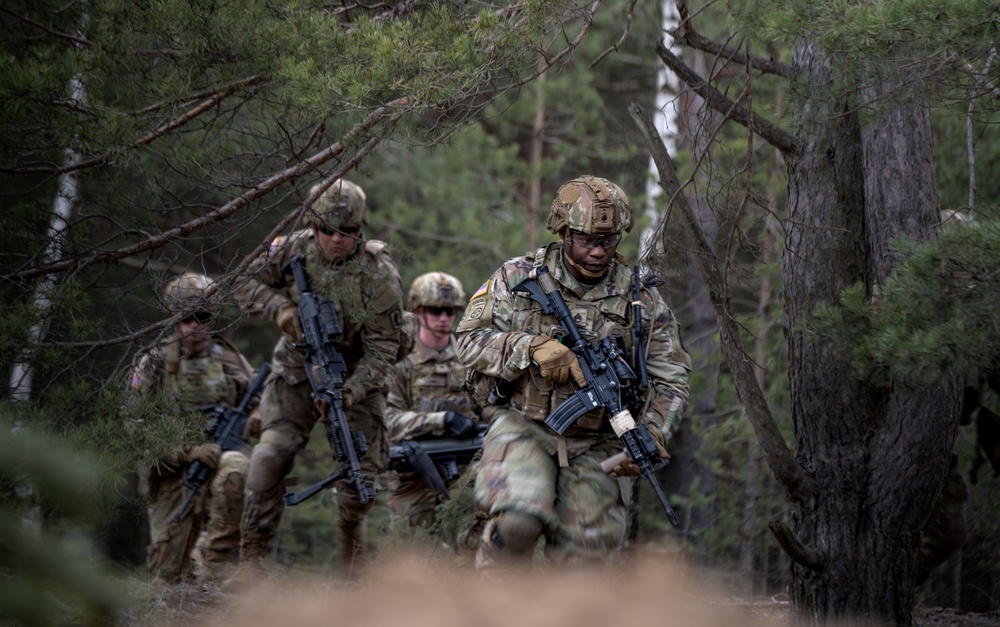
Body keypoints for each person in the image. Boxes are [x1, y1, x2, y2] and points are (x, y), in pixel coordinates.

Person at [456, 175, 691, 569]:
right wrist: (530, 347)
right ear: (564, 232)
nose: (599, 252)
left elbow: (673, 378)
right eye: (587, 240)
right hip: (525, 425)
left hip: (600, 441)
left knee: (586, 556)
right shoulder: (518, 279)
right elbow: (466, 340)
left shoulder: (641, 300)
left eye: (610, 241)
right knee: (516, 523)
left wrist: (652, 431)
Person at [232, 178, 406, 580]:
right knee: (268, 456)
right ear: (312, 226)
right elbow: (240, 281)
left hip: (356, 376)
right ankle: (250, 563)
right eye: (325, 230)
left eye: (347, 232)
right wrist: (280, 309)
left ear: (361, 230)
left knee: (359, 480)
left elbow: (384, 349)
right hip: (296, 370)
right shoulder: (291, 249)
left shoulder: (379, 276)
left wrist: (352, 391)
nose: (335, 240)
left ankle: (352, 569)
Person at [129, 272, 255, 583]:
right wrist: (187, 451)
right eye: (187, 319)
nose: (196, 327)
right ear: (173, 318)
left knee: (237, 466)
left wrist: (253, 422)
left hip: (220, 469)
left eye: (203, 317)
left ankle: (216, 563)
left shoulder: (229, 359)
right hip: (172, 476)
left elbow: (262, 404)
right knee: (167, 575)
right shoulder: (153, 363)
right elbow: (134, 426)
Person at [385, 272, 482, 533]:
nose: (444, 318)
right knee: (410, 554)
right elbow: (387, 421)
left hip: (467, 470)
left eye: (451, 312)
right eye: (435, 310)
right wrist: (442, 420)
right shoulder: (400, 361)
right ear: (417, 311)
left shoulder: (470, 357)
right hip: (414, 474)